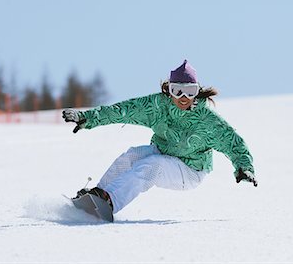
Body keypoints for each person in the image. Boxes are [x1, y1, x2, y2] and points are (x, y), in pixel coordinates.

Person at [62, 60, 257, 214]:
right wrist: (87, 117)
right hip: (163, 151)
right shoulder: (157, 106)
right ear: (169, 90)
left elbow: (234, 143)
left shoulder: (208, 121)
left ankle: (111, 201)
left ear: (197, 92)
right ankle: (98, 196)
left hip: (190, 171)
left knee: (152, 166)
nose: (183, 97)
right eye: (177, 90)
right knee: (131, 156)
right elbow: (123, 110)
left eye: (190, 92)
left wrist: (244, 168)